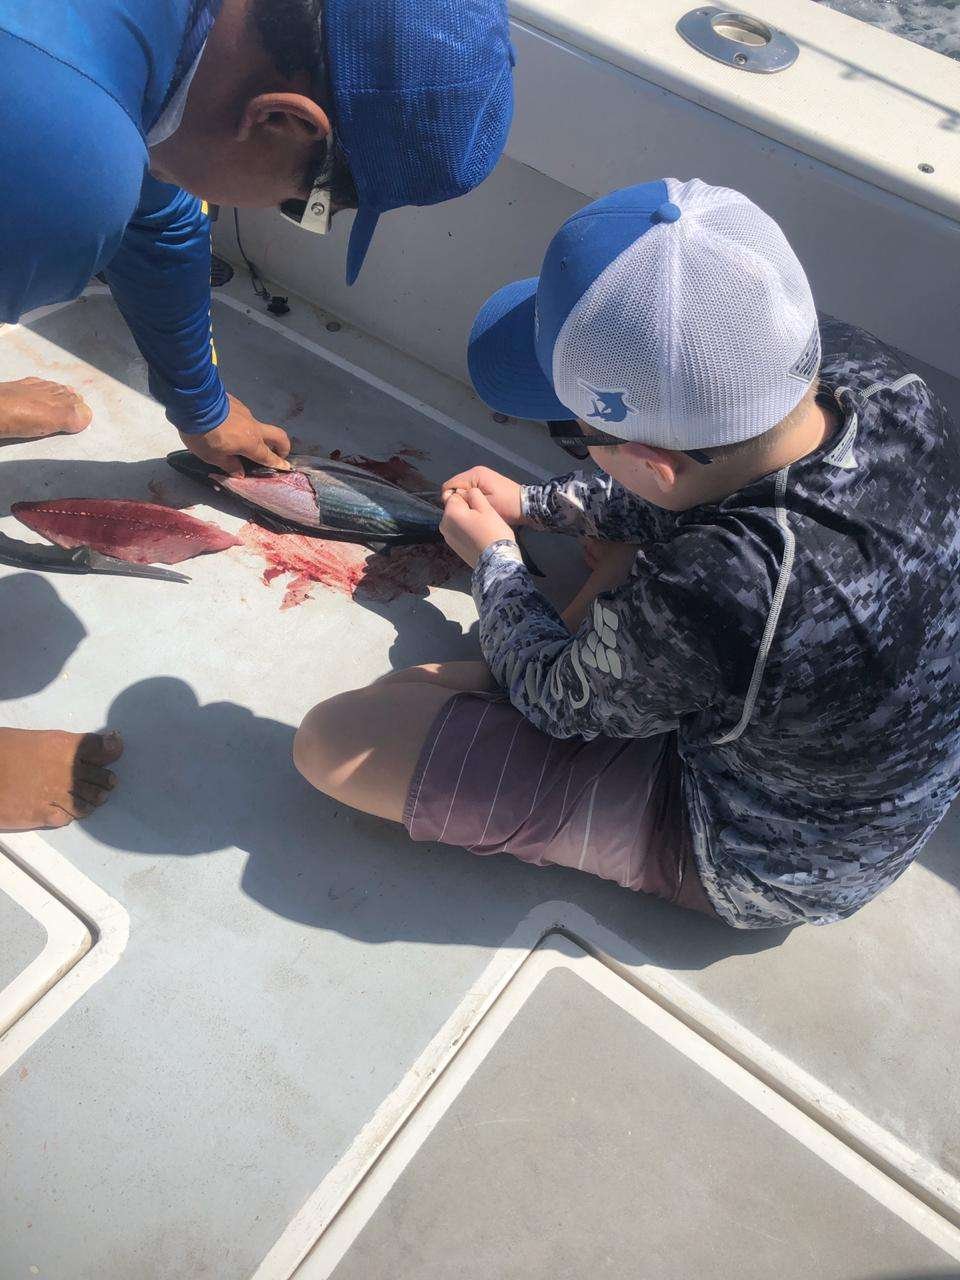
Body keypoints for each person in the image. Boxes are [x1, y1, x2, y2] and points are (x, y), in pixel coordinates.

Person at [293, 178, 960, 930]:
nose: (573, 445)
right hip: (851, 773)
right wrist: (538, 503)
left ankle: (584, 643)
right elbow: (707, 476)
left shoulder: (721, 580)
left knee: (337, 740)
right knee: (470, 663)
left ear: (651, 463)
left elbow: (552, 702)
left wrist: (496, 560)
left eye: (575, 435)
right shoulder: (882, 382)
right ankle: (599, 636)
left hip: (763, 857)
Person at [0, 0, 514, 831]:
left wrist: (199, 406)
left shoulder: (159, 50)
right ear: (281, 120)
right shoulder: (53, 174)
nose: (302, 215)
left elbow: (158, 205)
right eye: (307, 202)